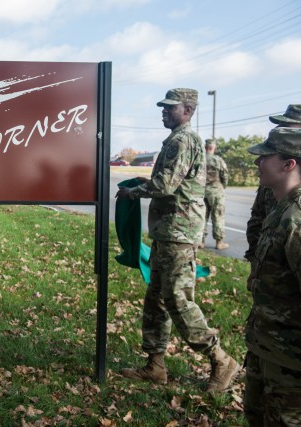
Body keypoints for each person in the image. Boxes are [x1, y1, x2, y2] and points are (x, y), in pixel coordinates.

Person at [115, 88, 239, 392]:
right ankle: (155, 366)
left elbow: (166, 184)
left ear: (188, 110)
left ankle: (221, 360)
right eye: (163, 107)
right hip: (170, 231)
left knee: (176, 298)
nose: (163, 111)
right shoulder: (179, 139)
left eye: (170, 107)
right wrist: (145, 183)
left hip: (179, 233)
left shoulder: (183, 140)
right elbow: (175, 182)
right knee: (156, 298)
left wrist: (134, 192)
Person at [243, 126, 301, 425]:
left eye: (265, 156)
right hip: (267, 350)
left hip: (290, 367)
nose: (257, 162)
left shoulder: (296, 218)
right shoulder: (280, 208)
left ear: (288, 164)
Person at [245, 104, 301, 268]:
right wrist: (256, 267)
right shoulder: (283, 199)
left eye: (288, 127)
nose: (281, 129)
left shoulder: (295, 218)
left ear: (288, 165)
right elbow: (257, 218)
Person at [201, 138, 229, 250]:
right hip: (216, 192)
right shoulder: (218, 160)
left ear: (205, 147)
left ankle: (201, 242)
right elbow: (225, 176)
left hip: (202, 192)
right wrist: (223, 186)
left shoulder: (200, 159)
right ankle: (219, 242)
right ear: (214, 148)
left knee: (202, 216)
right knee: (218, 216)